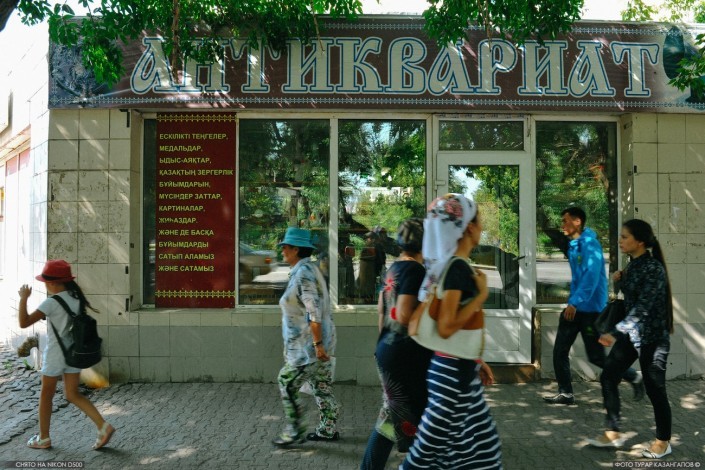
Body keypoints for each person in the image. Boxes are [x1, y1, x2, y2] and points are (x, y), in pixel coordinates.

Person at [401, 193, 502, 470]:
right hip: (451, 374)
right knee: (428, 450)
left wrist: (476, 360)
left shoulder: (448, 265)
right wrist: (481, 296)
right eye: (479, 221)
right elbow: (446, 327)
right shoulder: (457, 268)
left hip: (456, 368)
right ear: (468, 227)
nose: (482, 227)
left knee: (479, 450)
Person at [588, 219, 673, 458]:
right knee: (608, 376)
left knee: (655, 389)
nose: (620, 240)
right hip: (632, 335)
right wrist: (620, 279)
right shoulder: (633, 265)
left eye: (625, 237)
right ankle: (613, 432)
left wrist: (615, 333)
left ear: (640, 241)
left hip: (653, 338)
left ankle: (664, 442)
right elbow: (632, 295)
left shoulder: (654, 269)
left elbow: (643, 307)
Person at [544, 207, 644, 405]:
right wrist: (572, 303)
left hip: (591, 311)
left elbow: (590, 278)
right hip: (576, 308)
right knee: (560, 351)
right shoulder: (575, 245)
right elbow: (579, 279)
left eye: (565, 221)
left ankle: (633, 376)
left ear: (577, 222)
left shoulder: (591, 245)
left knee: (597, 357)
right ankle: (566, 393)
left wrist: (574, 302)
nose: (562, 225)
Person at [17, 259, 115, 450]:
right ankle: (103, 426)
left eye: (45, 282)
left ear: (53, 282)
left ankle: (43, 438)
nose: (45, 285)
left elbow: (24, 322)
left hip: (55, 354)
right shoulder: (76, 298)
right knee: (72, 394)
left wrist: (23, 298)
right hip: (73, 353)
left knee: (46, 396)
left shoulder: (51, 303)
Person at [360, 218, 432, 470]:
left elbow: (382, 310)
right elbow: (403, 315)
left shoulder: (394, 268)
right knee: (412, 416)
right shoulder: (416, 271)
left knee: (394, 416)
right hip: (406, 355)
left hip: (389, 349)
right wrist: (432, 302)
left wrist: (383, 346)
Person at [272, 227, 340, 446]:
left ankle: (295, 430)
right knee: (321, 387)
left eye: (286, 246)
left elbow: (314, 311)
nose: (282, 249)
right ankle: (328, 429)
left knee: (286, 381)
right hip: (318, 344)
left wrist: (317, 344)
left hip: (308, 348)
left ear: (296, 249)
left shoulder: (303, 274)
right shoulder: (309, 269)